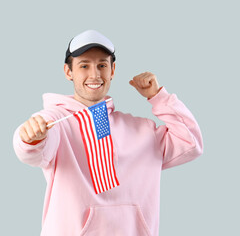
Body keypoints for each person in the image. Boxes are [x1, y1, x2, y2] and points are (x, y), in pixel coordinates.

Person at [13, 30, 203, 236]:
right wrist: (30, 138)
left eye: (102, 65)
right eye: (84, 65)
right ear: (69, 72)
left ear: (112, 70)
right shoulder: (56, 121)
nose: (94, 74)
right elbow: (33, 150)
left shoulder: (142, 130)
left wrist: (158, 97)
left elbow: (190, 143)